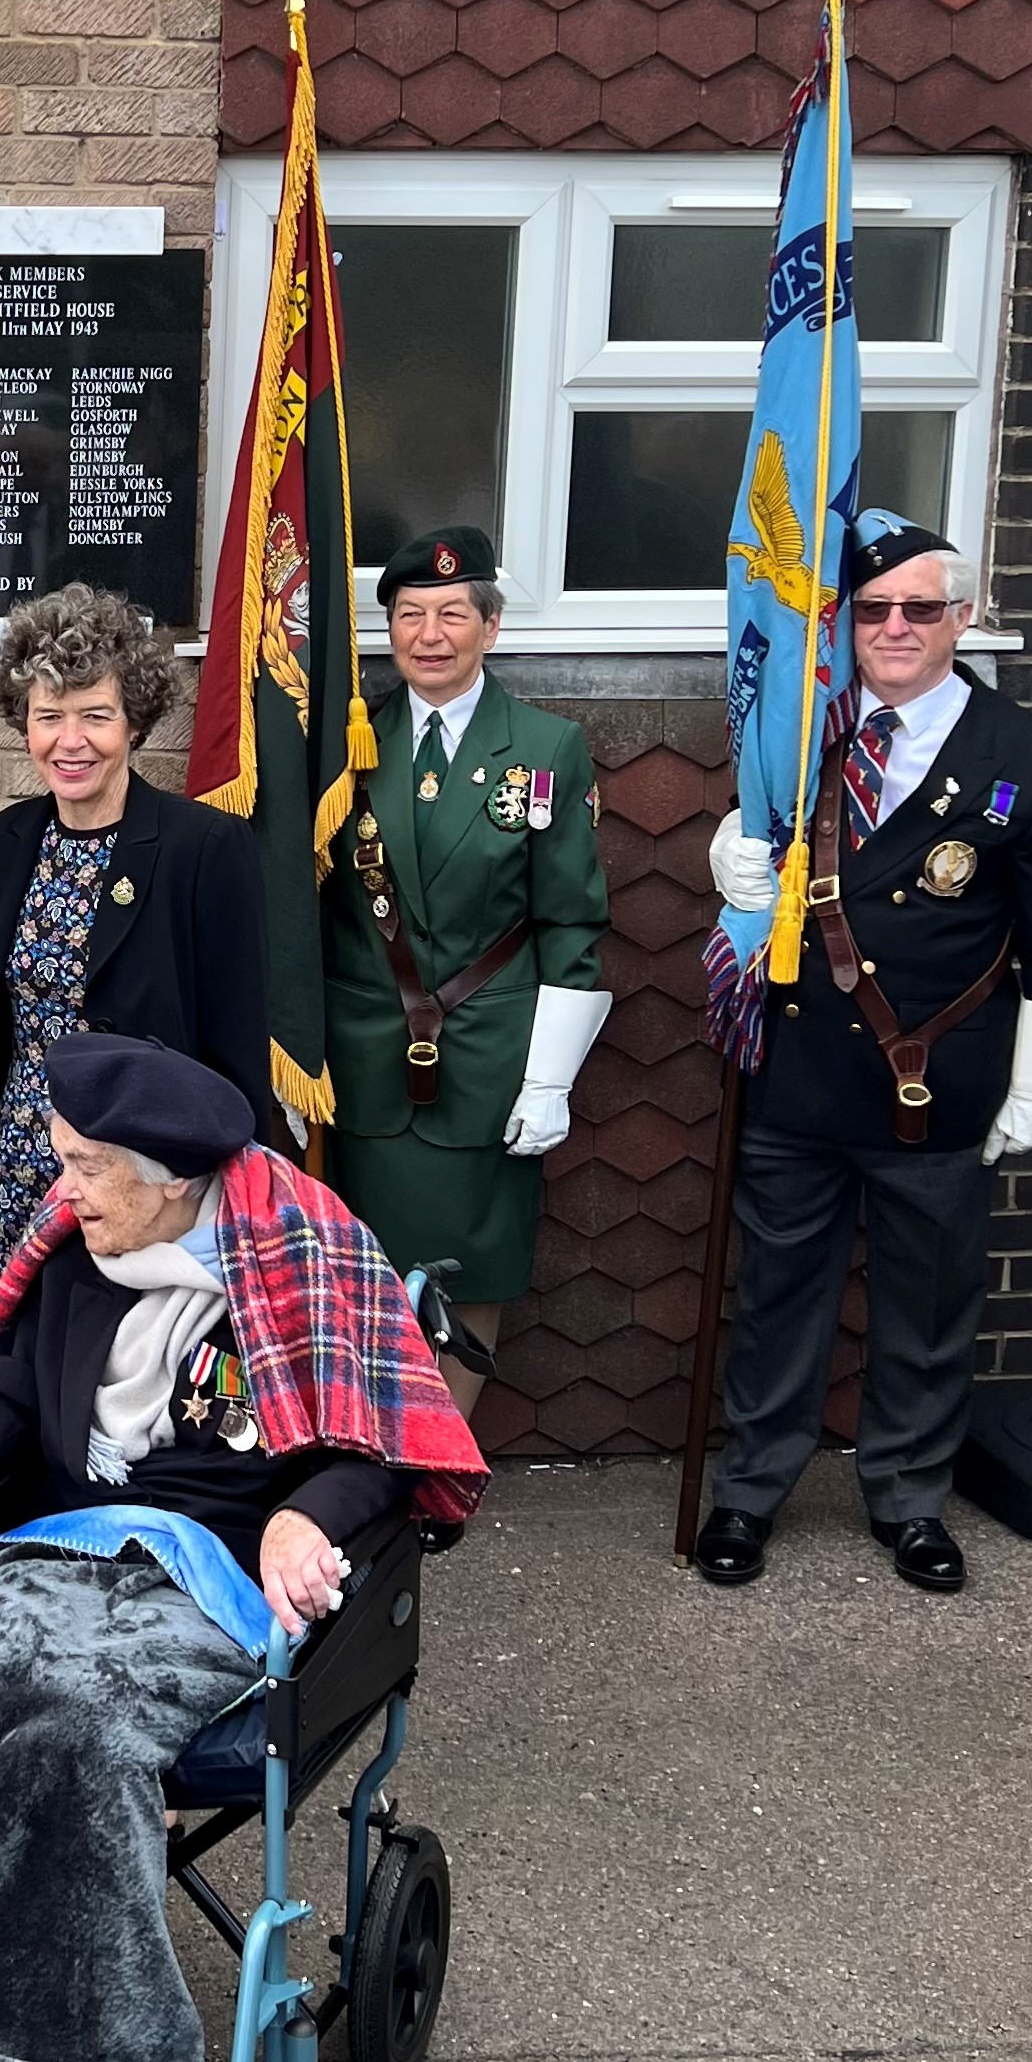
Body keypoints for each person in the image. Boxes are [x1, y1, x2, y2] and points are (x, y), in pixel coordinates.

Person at [0, 1035, 482, 2062]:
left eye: (85, 1168)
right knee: (52, 1695)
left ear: (172, 1179)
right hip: (50, 1549)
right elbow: (14, 1390)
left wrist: (301, 1515)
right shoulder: (77, 1256)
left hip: (211, 1574)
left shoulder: (301, 1258)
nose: (59, 1190)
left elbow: (374, 1448)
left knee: (56, 1707)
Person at [696, 514, 1032, 1594]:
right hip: (800, 1074)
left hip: (938, 1082)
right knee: (779, 1296)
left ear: (962, 617)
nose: (895, 626)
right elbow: (759, 839)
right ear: (844, 621)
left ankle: (912, 1498)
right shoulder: (798, 728)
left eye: (922, 607)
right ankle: (748, 1489)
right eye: (872, 608)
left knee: (926, 1306)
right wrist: (728, 857)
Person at [319, 525, 612, 1414]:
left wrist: (552, 1077)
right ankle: (368, 1449)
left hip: (489, 1051)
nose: (430, 635)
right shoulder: (345, 741)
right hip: (367, 1050)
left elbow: (570, 919)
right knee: (361, 1265)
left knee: (475, 1261)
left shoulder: (545, 747)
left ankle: (443, 1453)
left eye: (453, 613)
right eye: (410, 615)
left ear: (490, 625)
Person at [0, 583, 268, 1267]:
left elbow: (235, 1053)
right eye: (49, 716)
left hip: (148, 1190)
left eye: (96, 715)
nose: (71, 741)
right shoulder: (2, 842)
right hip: (20, 1173)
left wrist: (229, 1209)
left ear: (135, 724)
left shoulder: (204, 848)